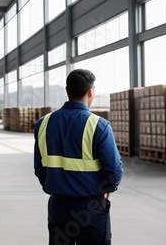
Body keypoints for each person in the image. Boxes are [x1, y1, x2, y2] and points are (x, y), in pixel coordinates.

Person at [34, 69, 123, 245]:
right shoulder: (99, 126)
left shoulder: (43, 124)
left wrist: (56, 188)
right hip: (90, 209)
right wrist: (106, 191)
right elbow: (114, 172)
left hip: (58, 207)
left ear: (67, 90)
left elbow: (40, 169)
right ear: (90, 92)